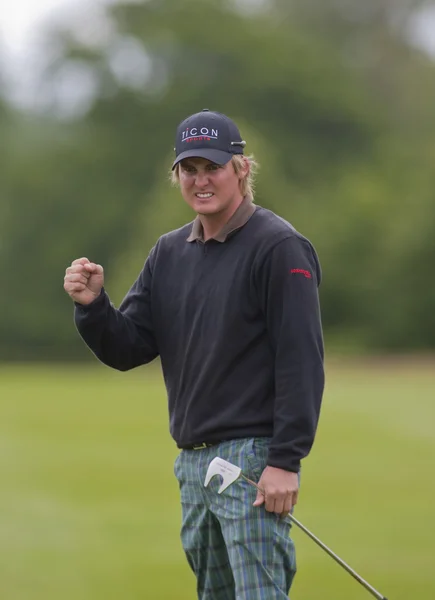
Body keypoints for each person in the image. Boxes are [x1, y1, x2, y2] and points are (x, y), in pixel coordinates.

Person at [64, 108, 325, 599]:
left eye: (213, 168)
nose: (201, 181)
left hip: (251, 462)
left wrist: (285, 461)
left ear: (241, 169)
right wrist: (94, 306)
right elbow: (130, 347)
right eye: (190, 169)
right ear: (178, 175)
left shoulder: (279, 247)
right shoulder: (169, 252)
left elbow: (301, 361)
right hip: (193, 465)